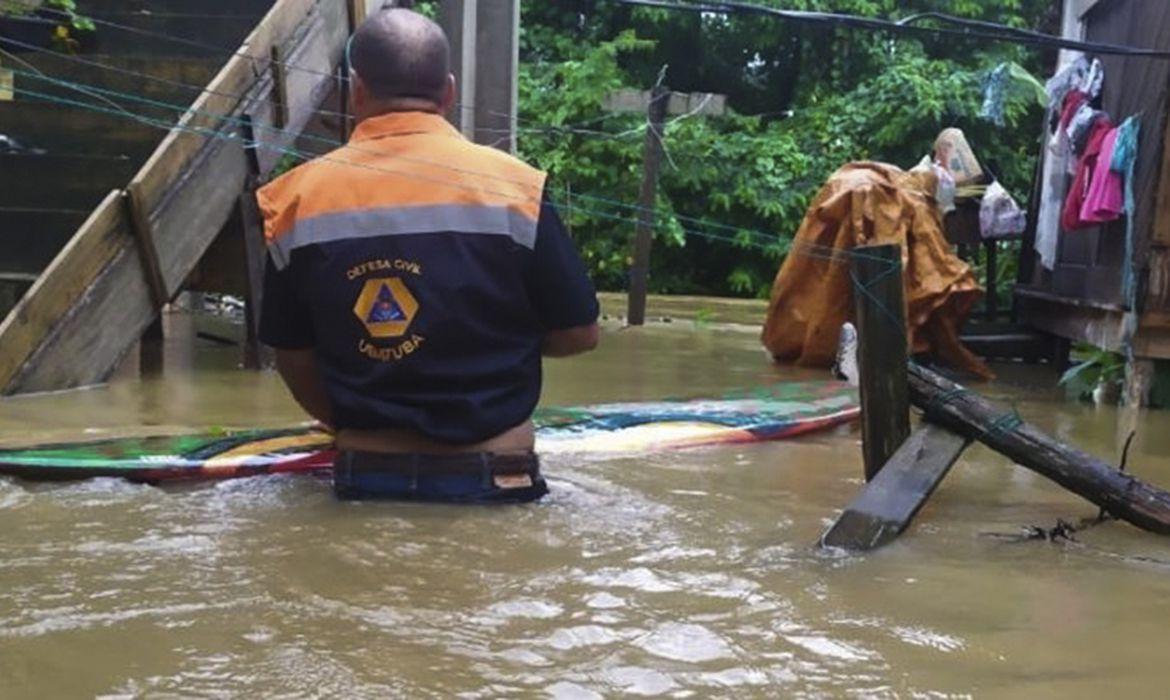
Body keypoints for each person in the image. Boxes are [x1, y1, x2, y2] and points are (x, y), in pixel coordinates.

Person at [257, 8, 599, 504]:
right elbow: (581, 333)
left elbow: (293, 356)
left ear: (356, 90)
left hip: (365, 476)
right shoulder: (517, 189)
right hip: (499, 474)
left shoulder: (293, 200)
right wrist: (496, 339)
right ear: (449, 91)